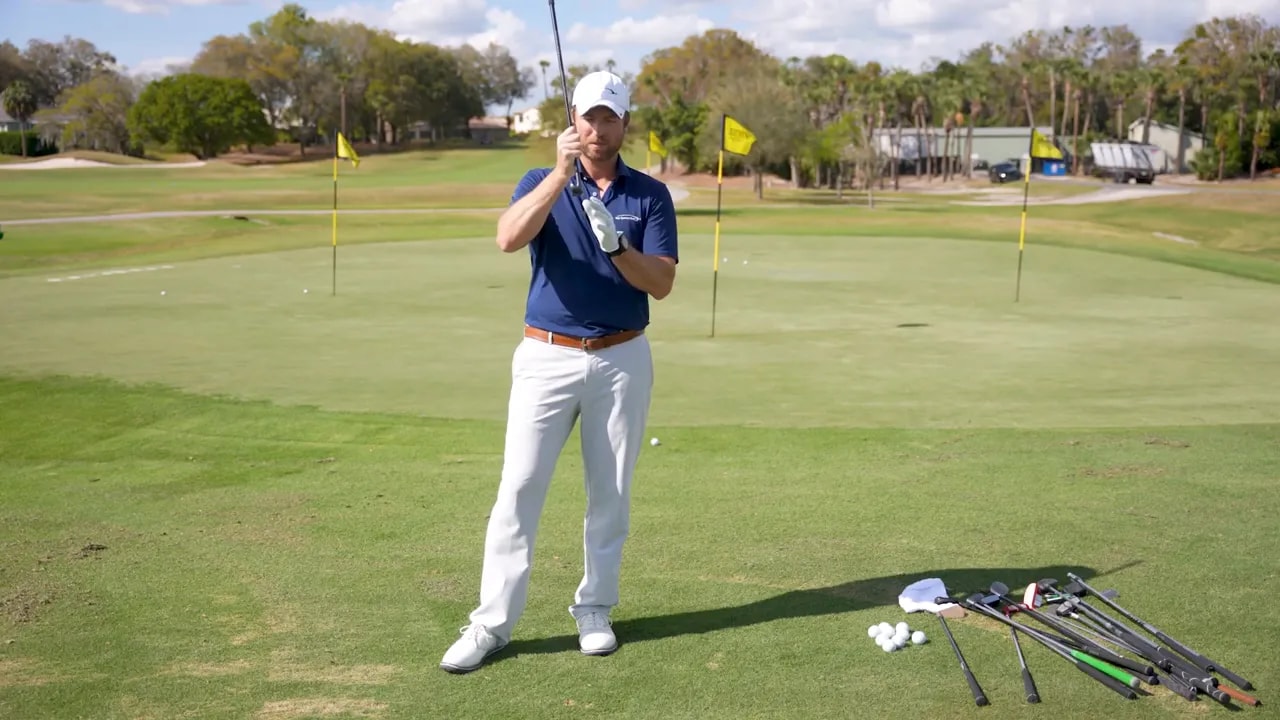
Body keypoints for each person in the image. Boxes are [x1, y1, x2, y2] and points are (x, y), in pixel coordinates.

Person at [440, 70, 679, 674]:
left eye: (609, 118)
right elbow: (506, 238)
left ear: (626, 125)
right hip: (546, 356)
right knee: (519, 489)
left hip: (622, 357)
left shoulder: (648, 196)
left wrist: (618, 249)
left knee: (611, 495)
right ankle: (491, 625)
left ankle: (594, 609)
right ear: (571, 121)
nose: (598, 128)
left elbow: (663, 284)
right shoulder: (539, 181)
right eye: (588, 116)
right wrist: (556, 176)